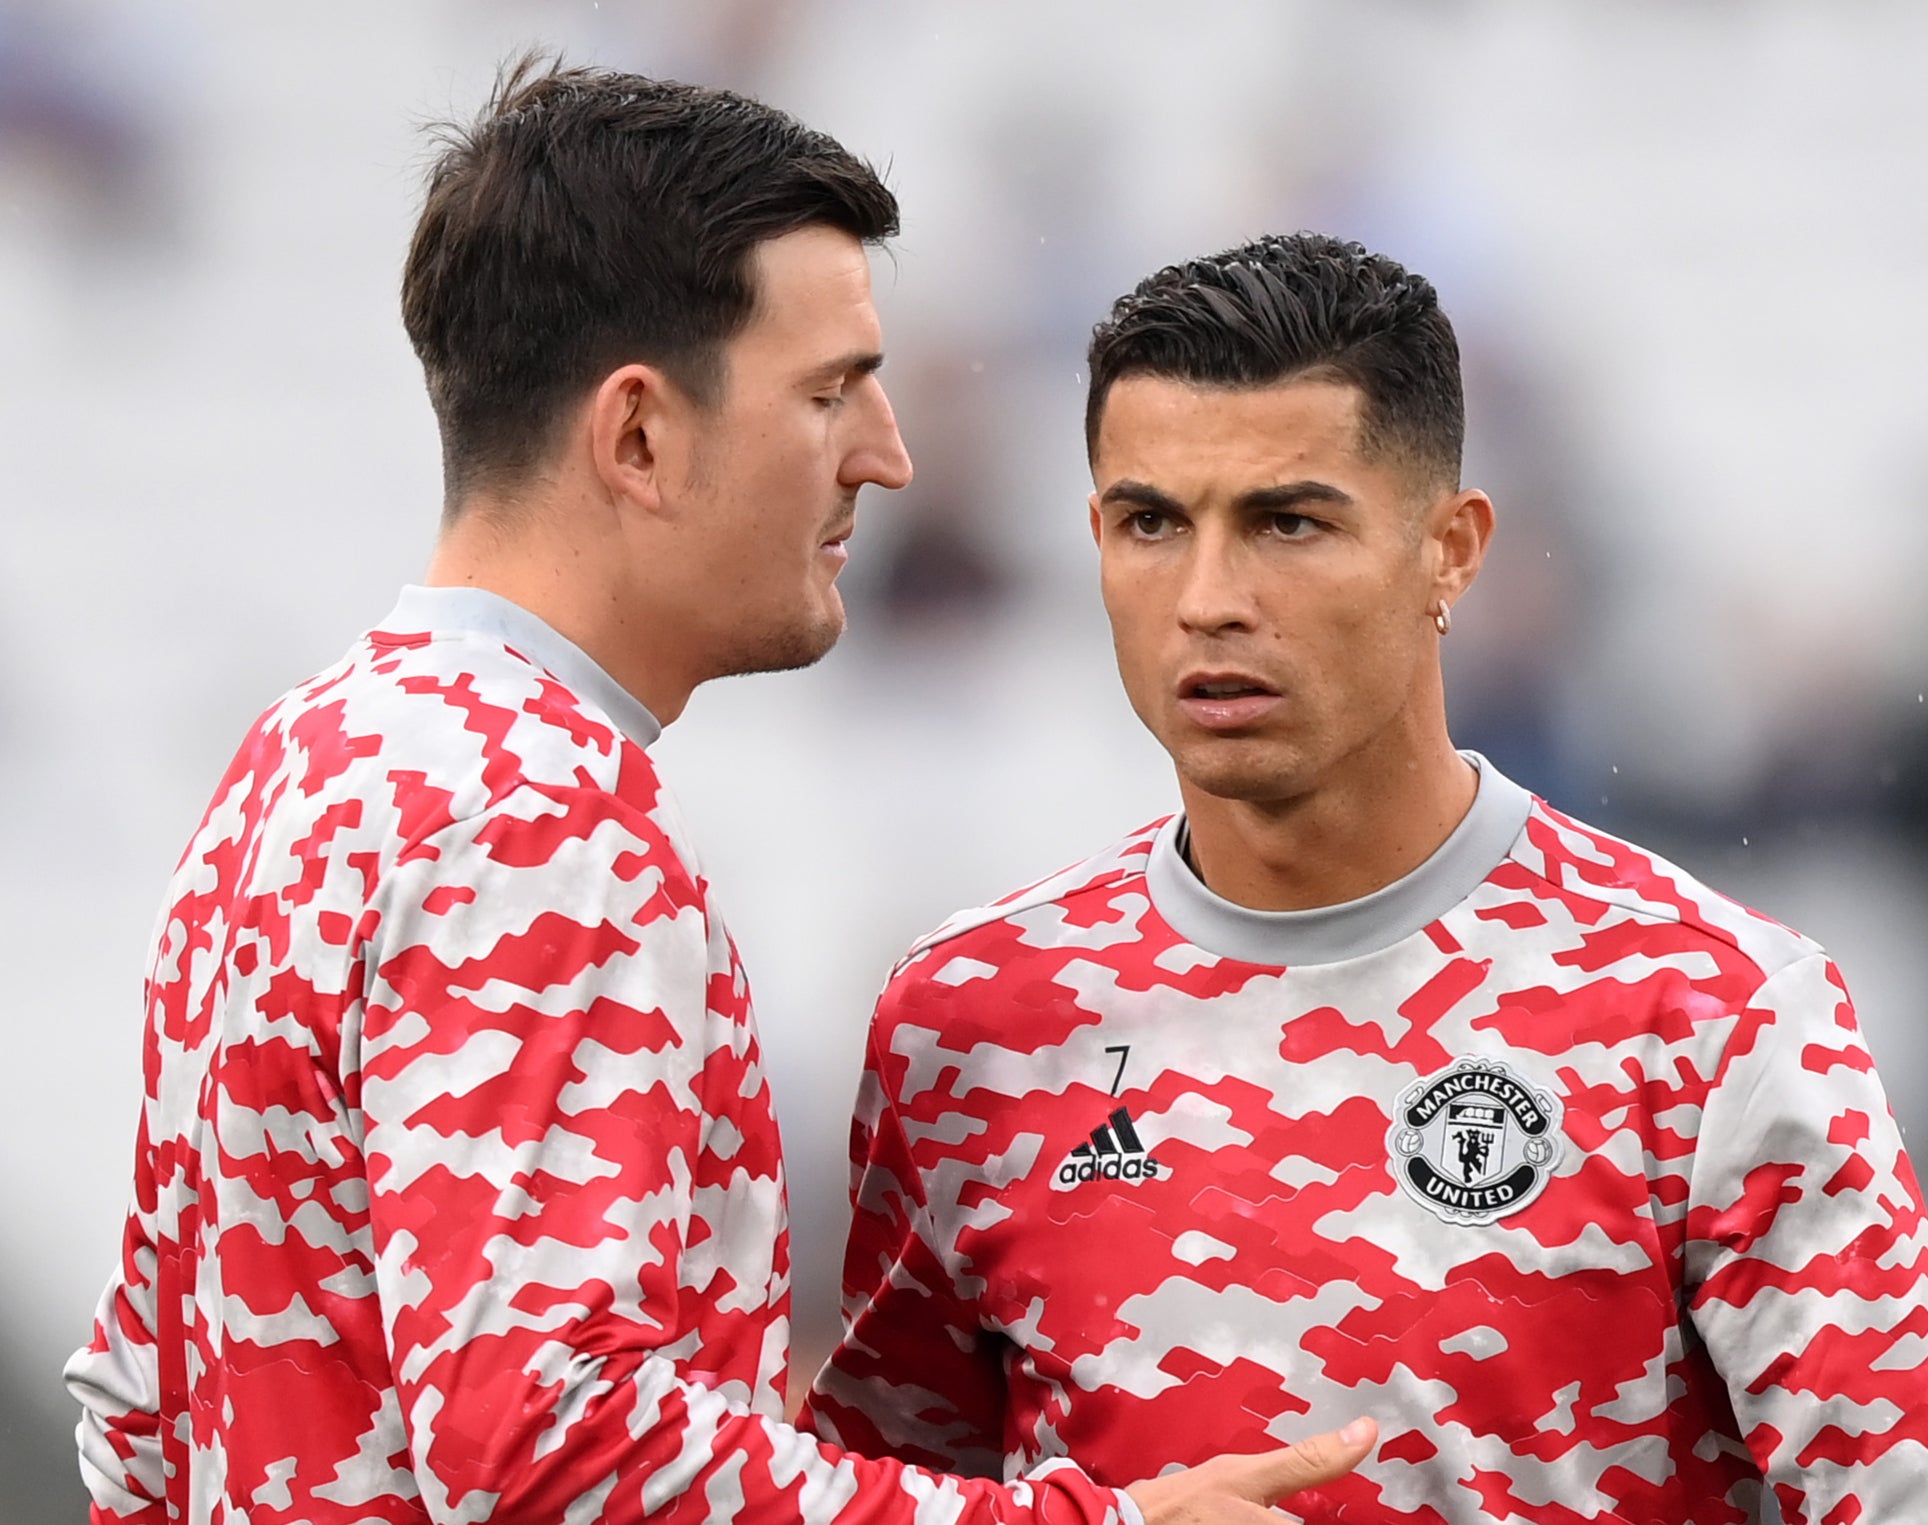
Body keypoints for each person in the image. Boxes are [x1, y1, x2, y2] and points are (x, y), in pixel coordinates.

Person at [61, 66, 1379, 1525]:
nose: (885, 456)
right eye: (828, 394)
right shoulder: (533, 818)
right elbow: (552, 1448)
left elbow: (141, 1405)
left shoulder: (297, 765)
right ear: (637, 436)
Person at [800, 232, 1928, 1525]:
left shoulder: (1708, 1011)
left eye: (1287, 522)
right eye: (1152, 522)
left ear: (1449, 550)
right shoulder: (968, 1024)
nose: (1208, 596)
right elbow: (888, 1500)